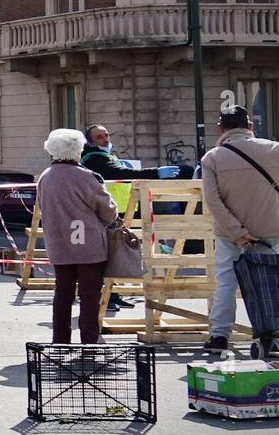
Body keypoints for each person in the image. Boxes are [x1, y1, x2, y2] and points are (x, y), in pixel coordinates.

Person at [200, 105, 279, 356]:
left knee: (226, 281)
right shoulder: (275, 150)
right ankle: (272, 334)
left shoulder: (212, 158)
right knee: (272, 283)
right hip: (273, 228)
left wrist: (237, 231)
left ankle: (220, 336)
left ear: (220, 128)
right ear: (250, 126)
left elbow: (213, 201)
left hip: (230, 234)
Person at [81, 124, 179, 310]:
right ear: (91, 141)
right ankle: (106, 298)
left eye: (107, 135)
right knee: (107, 255)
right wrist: (155, 173)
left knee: (115, 255)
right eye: (100, 137)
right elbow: (120, 174)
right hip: (103, 213)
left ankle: (112, 294)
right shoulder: (94, 159)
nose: (105, 139)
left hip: (117, 212)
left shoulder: (107, 156)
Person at [36, 129, 119, 344]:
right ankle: (89, 341)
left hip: (59, 244)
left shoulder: (45, 177)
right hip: (88, 245)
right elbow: (108, 210)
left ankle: (60, 341)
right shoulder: (85, 177)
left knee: (62, 294)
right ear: (78, 150)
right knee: (89, 295)